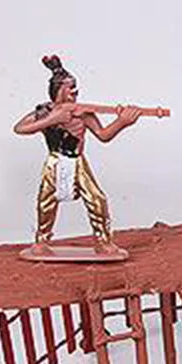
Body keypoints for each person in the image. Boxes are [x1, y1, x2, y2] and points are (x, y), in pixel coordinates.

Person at [13, 52, 143, 250]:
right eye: (70, 87)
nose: (75, 90)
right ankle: (42, 241)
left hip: (78, 161)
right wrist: (51, 120)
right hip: (55, 162)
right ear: (59, 90)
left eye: (75, 86)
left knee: (97, 199)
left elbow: (104, 135)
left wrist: (122, 122)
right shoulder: (45, 112)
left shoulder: (83, 113)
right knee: (45, 202)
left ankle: (103, 241)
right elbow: (19, 128)